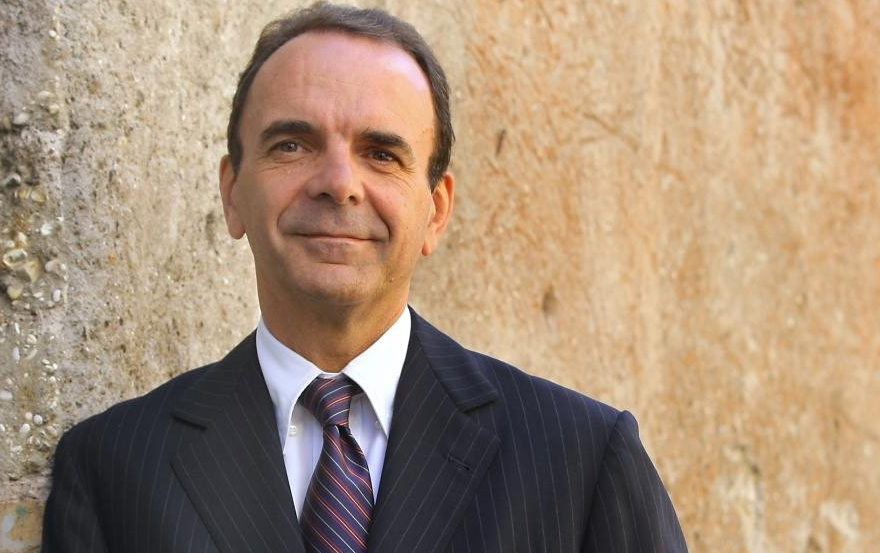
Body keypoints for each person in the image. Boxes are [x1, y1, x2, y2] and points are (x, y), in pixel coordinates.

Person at [42, 2, 688, 552]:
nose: (338, 183)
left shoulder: (580, 460)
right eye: (292, 144)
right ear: (233, 193)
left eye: (381, 153)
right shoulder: (114, 468)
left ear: (436, 211)